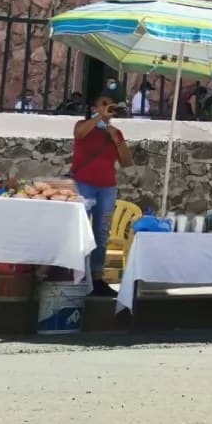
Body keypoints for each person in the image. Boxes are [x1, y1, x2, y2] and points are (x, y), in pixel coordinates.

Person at [71, 94, 133, 297]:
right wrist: (99, 117)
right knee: (80, 231)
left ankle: (97, 277)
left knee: (101, 232)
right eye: (103, 104)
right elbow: (79, 134)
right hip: (83, 184)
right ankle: (76, 275)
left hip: (107, 187)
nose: (108, 108)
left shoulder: (115, 132)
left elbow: (126, 162)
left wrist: (117, 140)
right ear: (94, 107)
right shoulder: (83, 125)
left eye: (110, 105)